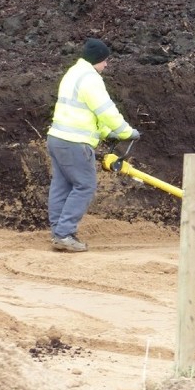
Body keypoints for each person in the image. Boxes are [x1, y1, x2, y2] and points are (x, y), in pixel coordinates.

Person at [46, 38, 139, 252]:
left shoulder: (73, 73)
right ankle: (65, 234)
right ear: (97, 60)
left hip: (57, 138)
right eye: (105, 61)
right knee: (85, 186)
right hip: (74, 143)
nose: (106, 65)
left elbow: (84, 112)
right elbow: (105, 110)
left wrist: (107, 133)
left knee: (61, 186)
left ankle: (58, 233)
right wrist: (126, 132)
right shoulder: (90, 79)